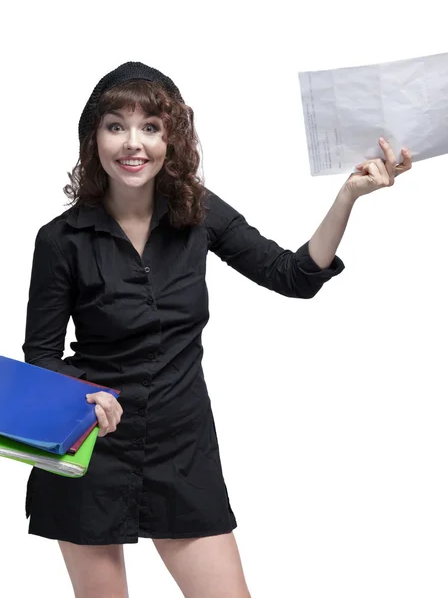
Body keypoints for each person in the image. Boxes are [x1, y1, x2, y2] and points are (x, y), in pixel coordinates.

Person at [22, 61, 413, 598]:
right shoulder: (61, 239)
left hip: (181, 447)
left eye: (151, 127)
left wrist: (347, 196)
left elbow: (291, 276)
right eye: (116, 126)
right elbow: (40, 353)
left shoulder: (198, 212)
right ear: (94, 137)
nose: (133, 144)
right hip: (91, 442)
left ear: (172, 138)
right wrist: (81, 393)